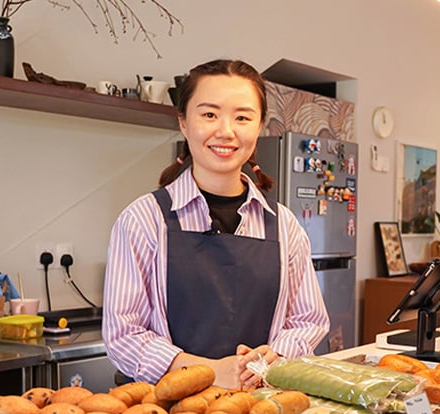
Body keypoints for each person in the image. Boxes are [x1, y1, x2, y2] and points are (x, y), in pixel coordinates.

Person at [102, 59, 329, 389]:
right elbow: (123, 335)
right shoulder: (143, 220)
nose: (226, 131)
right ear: (183, 122)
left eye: (242, 117)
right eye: (209, 114)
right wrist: (208, 372)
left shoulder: (284, 225)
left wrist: (274, 356)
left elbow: (308, 320)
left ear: (260, 125)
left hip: (261, 407)